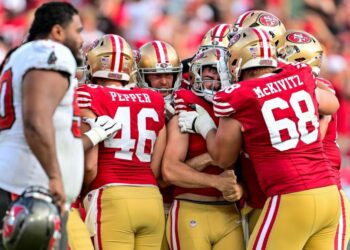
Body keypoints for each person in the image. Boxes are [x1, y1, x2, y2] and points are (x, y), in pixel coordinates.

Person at [179, 27, 340, 249]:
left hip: (291, 195)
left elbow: (223, 158)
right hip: (329, 195)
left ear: (237, 60)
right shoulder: (300, 75)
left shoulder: (239, 95)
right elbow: (332, 104)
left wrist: (204, 126)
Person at [0, 2, 120, 249]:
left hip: (23, 186)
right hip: (30, 190)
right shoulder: (50, 53)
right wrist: (55, 177)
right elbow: (35, 121)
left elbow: (50, 131)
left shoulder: (20, 55)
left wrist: (93, 135)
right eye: (77, 30)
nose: (81, 38)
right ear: (57, 32)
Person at [77, 34, 167, 250]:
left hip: (110, 194)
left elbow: (90, 166)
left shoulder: (88, 95)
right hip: (151, 198)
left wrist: (85, 192)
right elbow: (155, 166)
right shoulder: (154, 99)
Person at [162, 47, 245, 250]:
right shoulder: (188, 107)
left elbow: (250, 167)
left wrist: (240, 189)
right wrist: (215, 174)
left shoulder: (238, 108)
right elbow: (170, 171)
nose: (216, 76)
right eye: (210, 70)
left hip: (229, 212)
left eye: (221, 70)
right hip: (192, 208)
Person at [278, 29, 350, 250]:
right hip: (319, 191)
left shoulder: (318, 91)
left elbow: (309, 145)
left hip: (314, 190)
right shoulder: (318, 88)